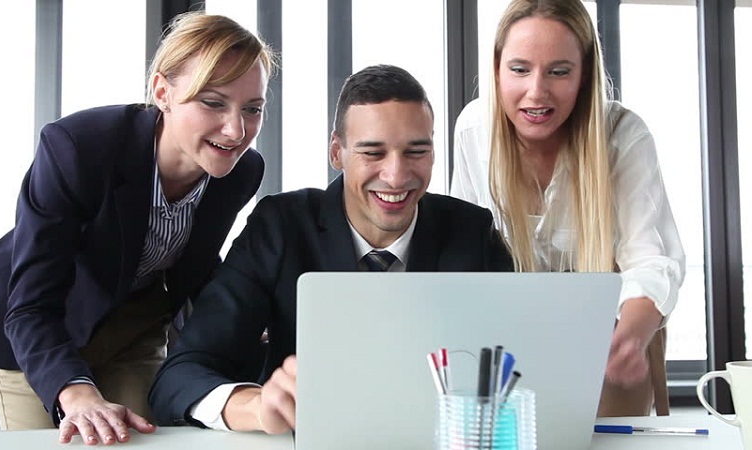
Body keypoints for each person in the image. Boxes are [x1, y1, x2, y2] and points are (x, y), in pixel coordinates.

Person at [0, 12, 274, 444]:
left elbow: (197, 262)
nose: (237, 130)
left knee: (142, 439)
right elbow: (32, 303)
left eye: (252, 108)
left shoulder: (241, 171)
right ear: (163, 92)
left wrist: (247, 323)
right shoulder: (79, 147)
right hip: (39, 329)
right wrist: (77, 393)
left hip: (133, 325)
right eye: (213, 102)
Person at [147, 64, 513, 432]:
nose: (397, 175)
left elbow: (521, 366)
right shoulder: (281, 228)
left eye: (416, 151)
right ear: (336, 152)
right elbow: (178, 377)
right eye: (373, 153)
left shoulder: (472, 233)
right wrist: (256, 407)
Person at [450, 0, 685, 416]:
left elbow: (651, 260)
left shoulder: (622, 135)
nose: (536, 92)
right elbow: (464, 258)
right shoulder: (473, 131)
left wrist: (629, 338)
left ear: (584, 75)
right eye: (520, 70)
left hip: (605, 341)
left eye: (559, 72)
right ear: (497, 69)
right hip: (508, 343)